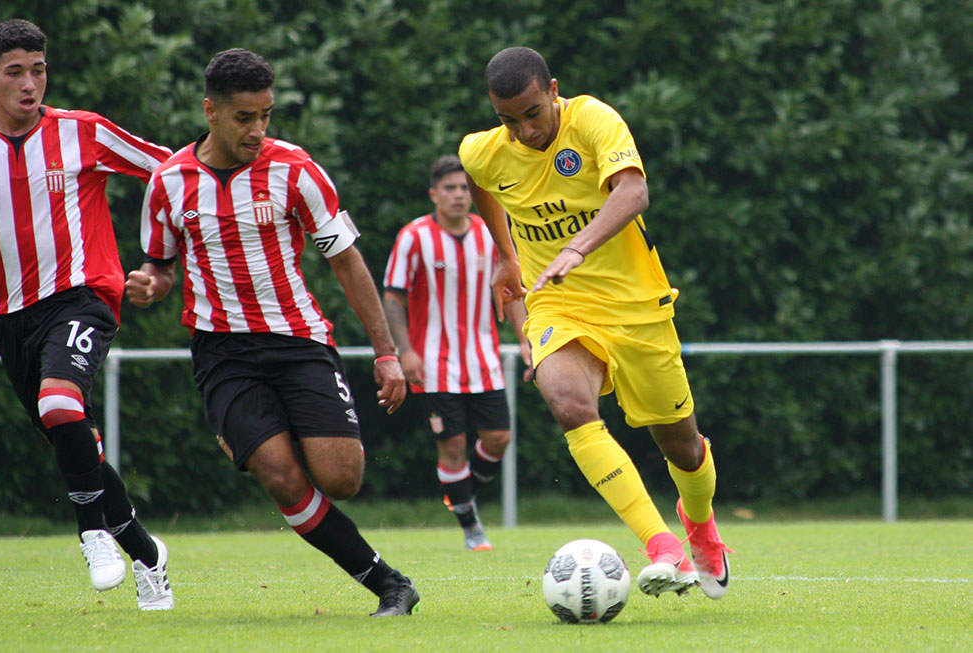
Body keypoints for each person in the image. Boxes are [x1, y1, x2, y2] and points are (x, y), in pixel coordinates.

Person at [125, 48, 419, 617]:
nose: (258, 129)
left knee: (342, 476)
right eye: (244, 118)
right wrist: (153, 283)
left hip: (298, 339)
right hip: (222, 350)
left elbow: (348, 261)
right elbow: (159, 263)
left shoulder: (297, 170)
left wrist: (386, 354)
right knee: (283, 479)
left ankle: (253, 430)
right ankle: (390, 585)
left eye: (266, 115)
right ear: (210, 111)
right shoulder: (168, 182)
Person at [458, 46, 732, 600]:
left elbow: (634, 190)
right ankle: (661, 545)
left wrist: (578, 247)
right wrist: (508, 256)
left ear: (553, 90)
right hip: (559, 306)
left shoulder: (592, 120)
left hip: (636, 307)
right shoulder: (483, 151)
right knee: (568, 403)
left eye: (533, 113)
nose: (523, 131)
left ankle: (700, 528)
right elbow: (483, 180)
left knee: (683, 448)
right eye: (508, 120)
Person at [0, 19, 174, 610]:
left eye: (38, 70)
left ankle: (91, 534)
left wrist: (159, 262)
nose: (29, 84)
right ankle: (147, 555)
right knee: (73, 438)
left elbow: (176, 175)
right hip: (10, 316)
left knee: (57, 402)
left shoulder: (83, 132)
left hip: (84, 294)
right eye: (14, 71)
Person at [382, 154, 530, 551]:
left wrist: (526, 340)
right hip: (431, 366)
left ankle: (461, 497)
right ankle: (471, 528)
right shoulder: (414, 237)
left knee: (499, 437)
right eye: (450, 188)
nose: (460, 195)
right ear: (434, 194)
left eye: (465, 188)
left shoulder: (490, 234)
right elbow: (393, 297)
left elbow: (512, 292)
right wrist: (405, 352)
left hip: (484, 361)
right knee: (453, 447)